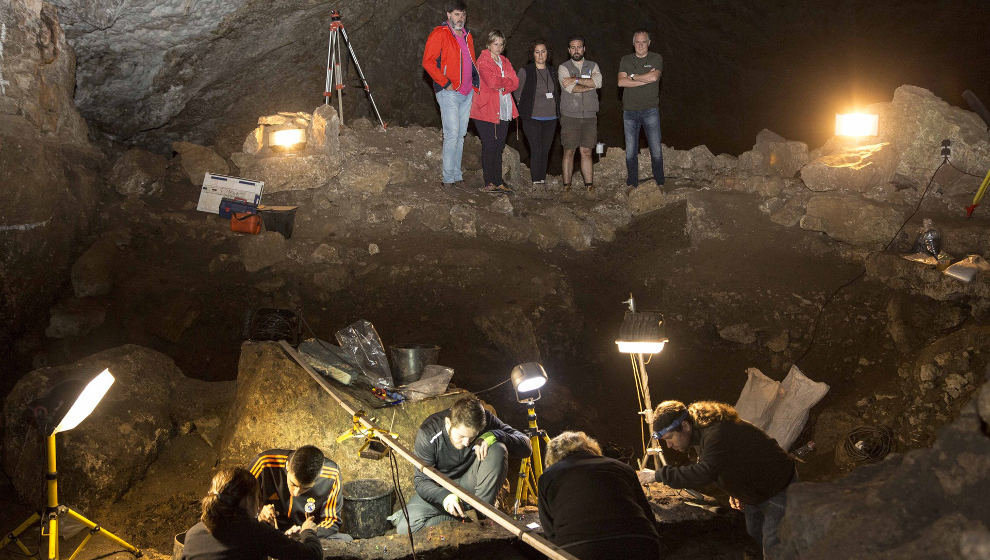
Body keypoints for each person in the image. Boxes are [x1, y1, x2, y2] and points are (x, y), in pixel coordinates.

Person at [637, 401, 796, 557]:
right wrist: (736, 491)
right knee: (754, 538)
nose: (669, 445)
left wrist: (657, 475)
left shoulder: (716, 432)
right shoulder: (700, 432)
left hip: (777, 486)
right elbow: (728, 460)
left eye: (669, 438)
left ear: (685, 426)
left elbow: (704, 472)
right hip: (755, 489)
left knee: (774, 545)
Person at [388, 395, 532, 534]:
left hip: (471, 484)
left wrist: (495, 435)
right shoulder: (428, 433)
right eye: (461, 436)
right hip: (442, 488)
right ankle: (467, 518)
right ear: (448, 423)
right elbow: (421, 481)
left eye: (472, 437)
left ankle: (482, 513)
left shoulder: (484, 420)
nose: (466, 443)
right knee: (405, 527)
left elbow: (526, 446)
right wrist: (444, 496)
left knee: (498, 448)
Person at [537, 431, 660, 560]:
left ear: (552, 457)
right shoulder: (622, 467)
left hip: (578, 547)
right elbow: (648, 514)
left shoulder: (548, 477)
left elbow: (550, 531)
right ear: (591, 447)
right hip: (640, 541)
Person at [178, 467, 322, 560]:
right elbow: (312, 556)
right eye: (257, 497)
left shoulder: (193, 533)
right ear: (248, 500)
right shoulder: (256, 532)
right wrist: (308, 531)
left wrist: (279, 537)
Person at [422, 1, 480, 188]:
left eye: (463, 15)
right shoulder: (439, 33)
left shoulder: (467, 36)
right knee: (452, 133)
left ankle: (456, 174)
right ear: (448, 15)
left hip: (466, 92)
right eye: (456, 14)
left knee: (461, 134)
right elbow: (428, 62)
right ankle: (448, 178)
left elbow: (471, 62)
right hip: (449, 92)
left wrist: (475, 84)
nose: (460, 18)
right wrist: (445, 83)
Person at [249, 445, 349, 539]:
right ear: (287, 466)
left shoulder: (331, 474)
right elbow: (237, 506)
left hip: (306, 536)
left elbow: (332, 520)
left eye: (305, 488)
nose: (296, 493)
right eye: (293, 484)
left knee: (346, 539)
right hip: (269, 533)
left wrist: (307, 532)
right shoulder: (265, 463)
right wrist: (258, 514)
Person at [470, 30, 519, 194]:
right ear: (489, 44)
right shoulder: (483, 60)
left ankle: (498, 181)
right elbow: (491, 82)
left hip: (504, 109)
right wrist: (507, 82)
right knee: (489, 144)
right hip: (486, 110)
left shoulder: (505, 61)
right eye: (495, 44)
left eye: (501, 44)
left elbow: (516, 82)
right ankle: (489, 182)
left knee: (499, 146)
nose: (498, 47)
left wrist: (505, 83)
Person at [617, 30, 665, 187]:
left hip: (650, 109)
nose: (640, 45)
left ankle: (660, 182)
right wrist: (644, 78)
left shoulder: (656, 58)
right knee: (631, 151)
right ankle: (632, 183)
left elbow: (654, 77)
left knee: (656, 149)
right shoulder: (625, 59)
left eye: (643, 42)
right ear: (633, 43)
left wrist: (632, 76)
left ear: (649, 43)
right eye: (637, 42)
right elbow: (621, 83)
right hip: (629, 111)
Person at [557, 36, 602, 192]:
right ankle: (566, 187)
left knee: (587, 151)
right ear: (569, 50)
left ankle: (589, 186)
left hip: (589, 115)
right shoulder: (563, 68)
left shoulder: (593, 65)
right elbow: (569, 88)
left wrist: (575, 79)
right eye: (573, 47)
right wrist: (589, 83)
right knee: (569, 150)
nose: (576, 50)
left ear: (584, 49)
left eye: (579, 47)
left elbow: (599, 82)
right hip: (570, 115)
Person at [514, 40, 559, 186]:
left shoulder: (552, 71)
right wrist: (523, 109)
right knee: (536, 148)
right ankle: (536, 182)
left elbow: (556, 92)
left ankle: (542, 179)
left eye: (543, 51)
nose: (540, 55)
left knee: (545, 150)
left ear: (548, 53)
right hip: (532, 118)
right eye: (537, 52)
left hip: (551, 118)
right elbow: (516, 93)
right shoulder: (525, 71)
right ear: (532, 54)